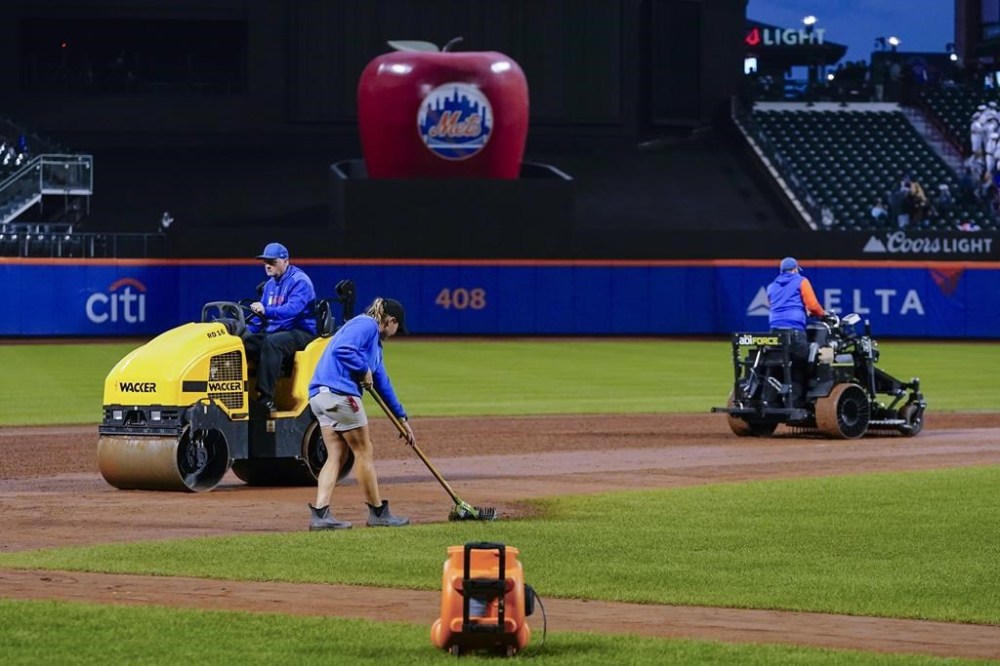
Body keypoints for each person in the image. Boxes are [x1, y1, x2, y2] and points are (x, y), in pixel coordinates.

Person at [307, 297, 412, 530]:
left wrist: (401, 418)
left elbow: (382, 383)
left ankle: (321, 514)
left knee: (337, 455)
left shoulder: (374, 345)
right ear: (390, 321)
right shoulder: (366, 325)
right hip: (339, 394)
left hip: (321, 397)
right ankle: (378, 513)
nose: (396, 332)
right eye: (397, 328)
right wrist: (363, 369)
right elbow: (343, 349)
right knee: (364, 451)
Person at [243, 242, 318, 412]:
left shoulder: (299, 281)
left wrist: (267, 311)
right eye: (265, 262)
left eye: (272, 261)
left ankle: (266, 399)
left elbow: (293, 310)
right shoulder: (269, 285)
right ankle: (243, 395)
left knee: (273, 343)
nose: (267, 265)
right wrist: (245, 332)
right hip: (278, 330)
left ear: (285, 261)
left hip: (302, 330)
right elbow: (260, 318)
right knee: (245, 343)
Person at [766, 257, 826, 405]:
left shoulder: (772, 286)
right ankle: (797, 400)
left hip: (774, 333)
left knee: (778, 364)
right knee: (805, 361)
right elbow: (812, 305)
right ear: (794, 269)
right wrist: (823, 314)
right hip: (794, 332)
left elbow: (775, 306)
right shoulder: (801, 281)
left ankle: (770, 399)